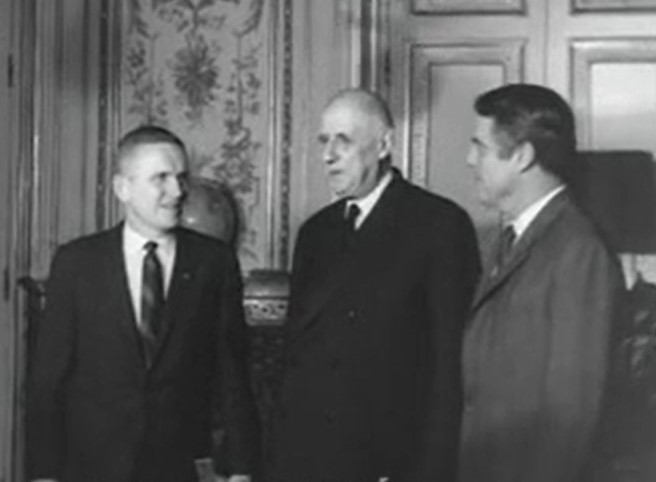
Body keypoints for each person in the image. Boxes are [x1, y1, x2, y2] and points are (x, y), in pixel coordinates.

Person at [266, 88, 481, 482]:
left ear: (383, 144)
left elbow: (450, 366)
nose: (328, 155)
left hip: (391, 459)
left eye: (342, 141)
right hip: (310, 457)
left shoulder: (439, 226)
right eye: (323, 141)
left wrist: (428, 471)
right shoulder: (315, 232)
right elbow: (296, 355)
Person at [26, 126, 260, 482]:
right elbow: (48, 381)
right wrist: (43, 474)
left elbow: (231, 373)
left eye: (181, 178)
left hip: (179, 467)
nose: (178, 191)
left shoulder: (213, 262)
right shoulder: (77, 263)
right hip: (92, 468)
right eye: (161, 179)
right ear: (124, 188)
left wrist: (241, 469)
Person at [460, 83, 624, 482]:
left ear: (522, 156)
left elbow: (571, 417)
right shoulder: (508, 241)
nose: (469, 160)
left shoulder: (578, 252)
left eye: (479, 146)